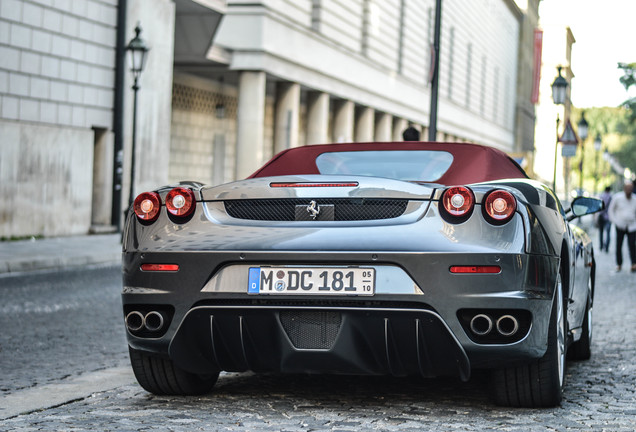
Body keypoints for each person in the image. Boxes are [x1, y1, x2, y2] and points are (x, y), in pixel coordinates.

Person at [607, 181, 636, 272]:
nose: (629, 190)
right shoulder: (617, 198)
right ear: (624, 189)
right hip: (620, 225)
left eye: (630, 189)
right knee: (619, 245)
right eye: (627, 188)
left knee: (632, 245)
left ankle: (633, 264)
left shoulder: (635, 199)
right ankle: (619, 264)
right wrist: (615, 221)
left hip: (632, 226)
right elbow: (611, 210)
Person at [597, 186, 612, 252]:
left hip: (601, 216)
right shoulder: (611, 197)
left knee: (601, 232)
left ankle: (601, 246)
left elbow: (598, 206)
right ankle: (607, 248)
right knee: (608, 233)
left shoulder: (601, 196)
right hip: (608, 217)